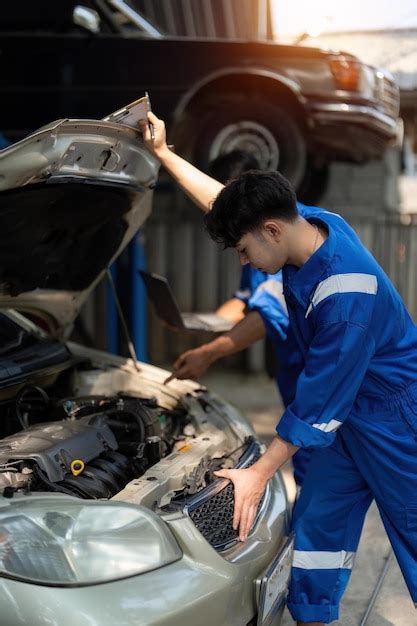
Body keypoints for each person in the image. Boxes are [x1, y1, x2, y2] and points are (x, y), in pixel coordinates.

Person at [140, 112, 417, 625]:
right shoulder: (305, 225)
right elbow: (222, 200)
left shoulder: (347, 297)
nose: (244, 263)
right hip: (348, 419)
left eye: (244, 251)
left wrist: (256, 475)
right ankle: (313, 617)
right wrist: (163, 154)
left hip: (395, 418)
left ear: (270, 231)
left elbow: (316, 405)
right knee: (316, 530)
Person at [170, 149, 310, 486]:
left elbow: (267, 314)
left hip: (316, 377)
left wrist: (209, 353)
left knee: (321, 470)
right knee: (312, 479)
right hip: (294, 373)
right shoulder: (262, 241)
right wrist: (201, 323)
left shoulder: (289, 236)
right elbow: (246, 302)